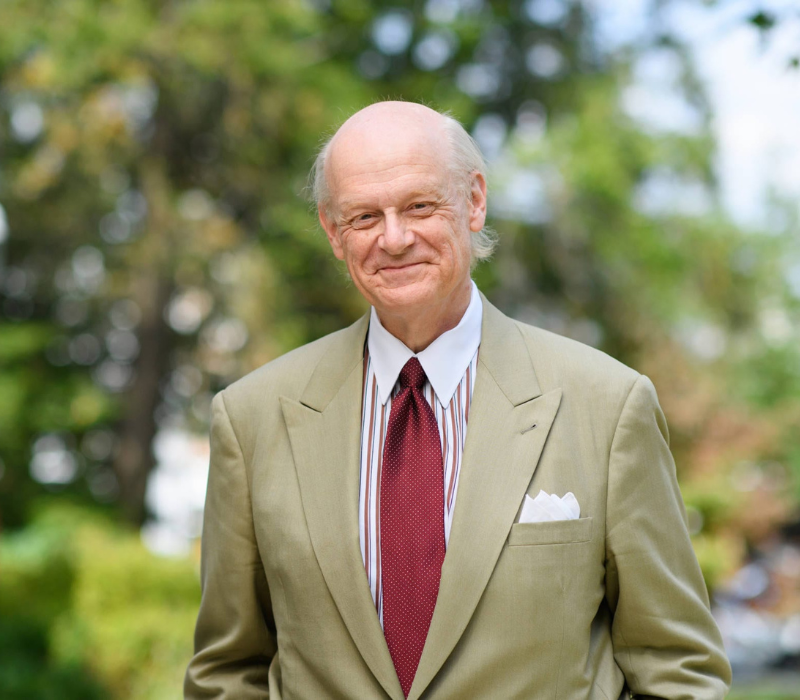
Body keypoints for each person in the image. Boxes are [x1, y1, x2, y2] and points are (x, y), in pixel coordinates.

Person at [184, 101, 731, 699]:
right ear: (333, 233)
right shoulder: (251, 420)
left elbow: (677, 670)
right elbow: (227, 674)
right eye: (365, 216)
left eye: (420, 206)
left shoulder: (607, 405)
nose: (394, 239)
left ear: (474, 201)